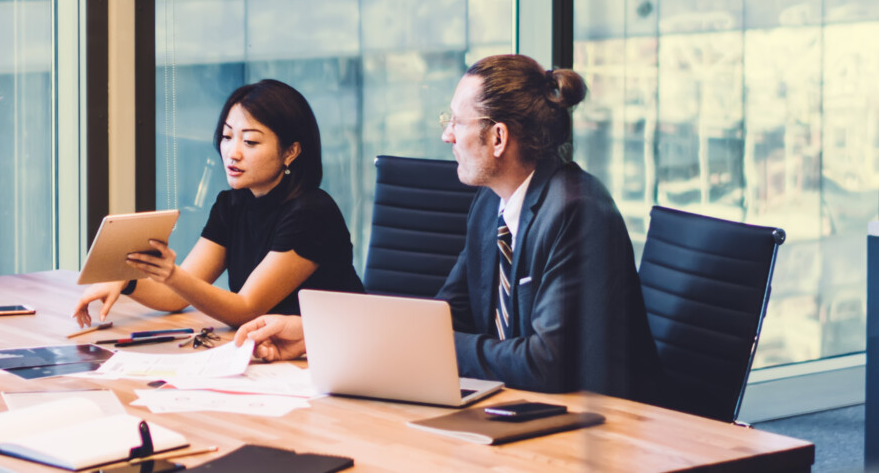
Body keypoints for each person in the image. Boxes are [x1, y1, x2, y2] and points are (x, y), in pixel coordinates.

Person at [238, 55, 661, 403]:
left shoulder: (576, 213)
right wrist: (318, 335)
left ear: (497, 137)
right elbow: (444, 316)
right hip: (519, 408)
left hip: (599, 431)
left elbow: (544, 363)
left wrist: (435, 346)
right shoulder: (490, 206)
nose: (446, 135)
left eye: (456, 122)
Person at [73, 79, 365, 329]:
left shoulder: (311, 214)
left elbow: (247, 308)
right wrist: (128, 281)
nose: (232, 152)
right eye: (227, 137)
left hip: (334, 353)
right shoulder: (233, 204)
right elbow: (176, 295)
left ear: (291, 152)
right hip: (268, 352)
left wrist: (171, 274)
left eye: (250, 142)